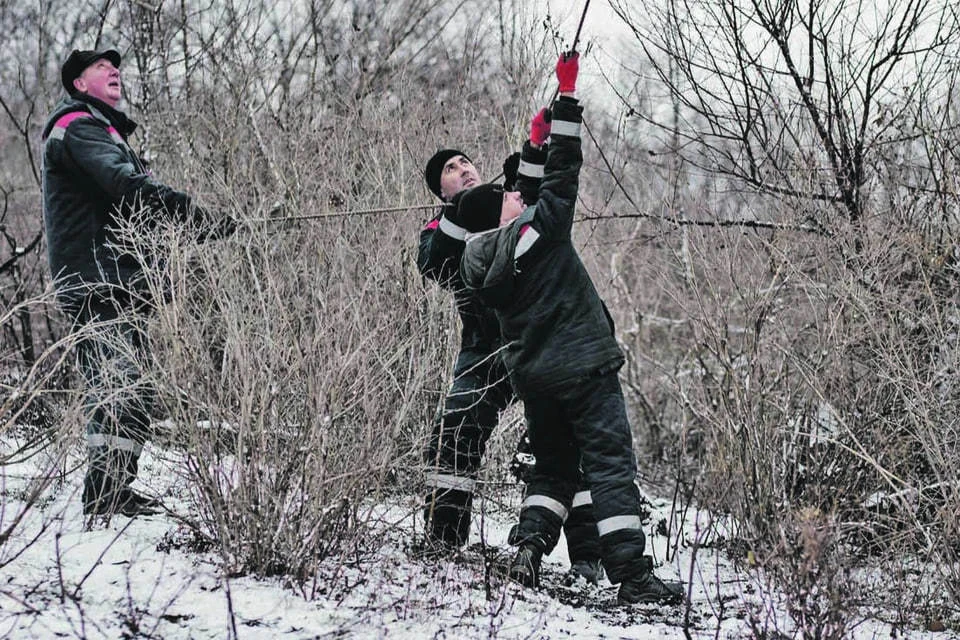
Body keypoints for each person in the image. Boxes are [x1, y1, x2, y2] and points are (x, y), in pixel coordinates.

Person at [457, 51, 684, 605]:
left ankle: (528, 553)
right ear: (504, 218)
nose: (515, 193)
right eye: (509, 197)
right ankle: (632, 575)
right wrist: (565, 102)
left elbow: (534, 189)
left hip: (538, 381)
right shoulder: (542, 231)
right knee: (609, 465)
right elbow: (561, 178)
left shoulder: (485, 261)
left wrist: (532, 144)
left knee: (554, 471)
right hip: (584, 368)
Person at [41, 48, 233, 518]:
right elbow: (127, 186)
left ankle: (115, 490)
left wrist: (192, 233)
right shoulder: (79, 127)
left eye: (116, 67)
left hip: (120, 283)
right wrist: (195, 216)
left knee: (136, 390)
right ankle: (104, 495)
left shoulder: (103, 131)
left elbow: (130, 210)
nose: (114, 71)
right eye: (101, 67)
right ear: (79, 84)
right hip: (96, 282)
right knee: (117, 385)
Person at [419, 141, 603, 583]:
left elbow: (550, 224)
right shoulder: (439, 226)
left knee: (569, 436)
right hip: (482, 350)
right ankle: (443, 540)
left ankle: (587, 558)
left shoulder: (515, 202)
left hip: (536, 342)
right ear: (440, 190)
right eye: (450, 169)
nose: (462, 169)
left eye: (466, 162)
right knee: (456, 431)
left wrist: (528, 181)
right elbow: (434, 264)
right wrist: (464, 212)